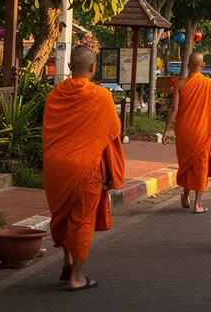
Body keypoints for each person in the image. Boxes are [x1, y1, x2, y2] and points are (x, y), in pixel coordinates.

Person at [42, 47, 125, 291]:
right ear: (93, 67)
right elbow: (112, 132)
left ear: (69, 67)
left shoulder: (55, 95)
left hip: (56, 167)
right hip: (86, 166)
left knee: (63, 214)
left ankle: (67, 261)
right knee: (81, 220)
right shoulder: (101, 96)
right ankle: (76, 277)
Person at [162, 52, 211, 214]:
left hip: (184, 132)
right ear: (203, 65)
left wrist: (166, 130)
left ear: (188, 66)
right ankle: (197, 204)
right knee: (201, 165)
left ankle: (186, 195)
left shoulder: (180, 85)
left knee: (186, 163)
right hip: (203, 131)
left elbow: (174, 108)